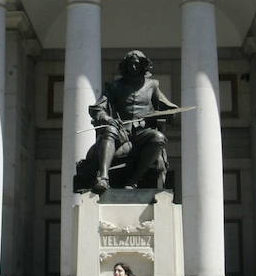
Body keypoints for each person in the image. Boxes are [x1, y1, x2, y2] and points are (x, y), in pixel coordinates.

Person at [74, 50, 180, 194]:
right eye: (130, 64)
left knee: (158, 138)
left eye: (136, 64)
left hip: (143, 132)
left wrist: (168, 114)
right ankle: (103, 178)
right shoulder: (114, 86)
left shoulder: (152, 86)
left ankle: (133, 181)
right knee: (109, 130)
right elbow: (97, 108)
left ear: (143, 66)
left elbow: (170, 109)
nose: (133, 67)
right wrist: (107, 118)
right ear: (125, 66)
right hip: (121, 130)